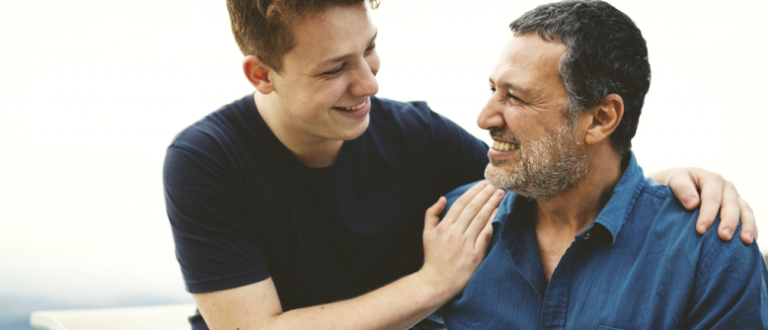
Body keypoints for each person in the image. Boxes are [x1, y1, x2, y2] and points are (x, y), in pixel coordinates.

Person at [162, 0, 758, 329]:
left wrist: (660, 188)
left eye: (369, 49)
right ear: (261, 75)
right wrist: (431, 284)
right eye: (333, 68)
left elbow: (553, 171)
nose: (369, 82)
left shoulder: (417, 137)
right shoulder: (206, 161)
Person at [440, 1, 767, 329]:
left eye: (516, 97)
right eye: (494, 89)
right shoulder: (452, 227)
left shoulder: (709, 253)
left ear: (600, 119)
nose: (484, 118)